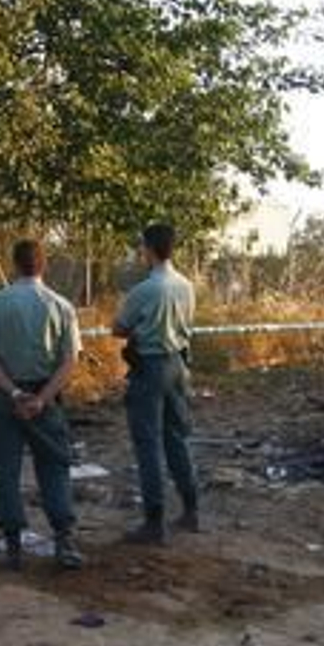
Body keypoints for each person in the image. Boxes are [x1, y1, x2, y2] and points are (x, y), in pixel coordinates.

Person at [0, 239, 84, 571]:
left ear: (14, 264)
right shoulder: (61, 306)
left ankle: (12, 548)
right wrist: (41, 399)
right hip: (46, 400)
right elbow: (69, 361)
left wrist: (12, 393)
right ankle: (64, 540)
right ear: (43, 264)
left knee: (6, 472)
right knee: (53, 468)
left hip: (4, 399)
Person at [113, 222, 199, 545]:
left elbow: (118, 328)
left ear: (147, 249)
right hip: (178, 364)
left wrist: (138, 332)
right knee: (176, 437)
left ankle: (154, 521)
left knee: (148, 444)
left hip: (150, 367)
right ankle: (191, 510)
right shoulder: (186, 286)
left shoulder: (145, 290)